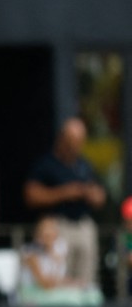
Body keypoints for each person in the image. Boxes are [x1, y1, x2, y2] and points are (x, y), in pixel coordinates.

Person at [23, 117, 106, 291]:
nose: (75, 146)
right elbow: (31, 195)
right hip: (58, 226)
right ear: (62, 139)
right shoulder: (46, 164)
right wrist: (64, 193)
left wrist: (91, 194)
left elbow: (100, 196)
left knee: (86, 280)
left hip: (83, 225)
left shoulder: (84, 165)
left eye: (79, 142)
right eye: (71, 141)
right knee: (60, 278)